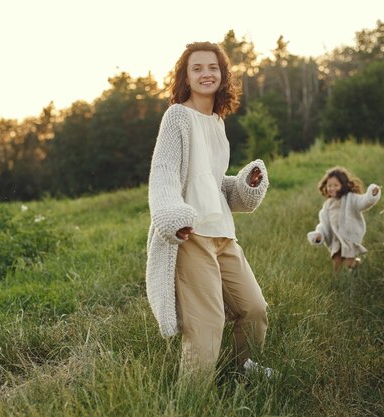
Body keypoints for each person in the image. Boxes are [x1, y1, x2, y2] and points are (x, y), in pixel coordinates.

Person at [145, 41, 273, 380]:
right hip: (193, 235)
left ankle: (242, 370)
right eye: (197, 68)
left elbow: (211, 184)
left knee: (254, 308)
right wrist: (172, 216)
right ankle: (192, 399)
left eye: (212, 68)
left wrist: (245, 184)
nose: (206, 74)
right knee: (207, 323)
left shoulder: (217, 122)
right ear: (185, 77)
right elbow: (165, 174)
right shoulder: (177, 117)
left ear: (222, 75)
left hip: (224, 234)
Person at [307, 166, 381, 272]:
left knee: (349, 263)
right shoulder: (328, 205)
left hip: (349, 239)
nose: (332, 188)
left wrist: (371, 196)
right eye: (329, 186)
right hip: (336, 240)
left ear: (343, 185)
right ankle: (338, 283)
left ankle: (358, 265)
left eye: (336, 185)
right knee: (336, 264)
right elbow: (324, 224)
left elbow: (363, 202)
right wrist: (319, 234)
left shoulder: (351, 198)